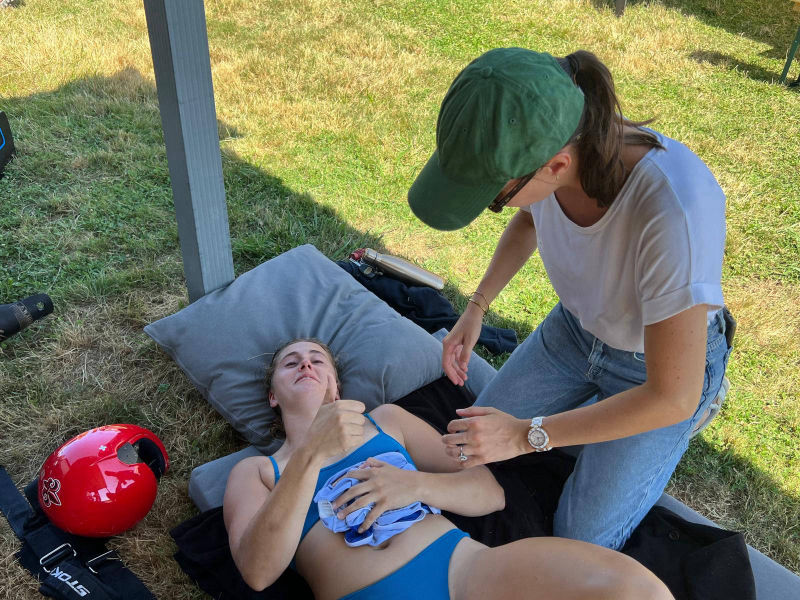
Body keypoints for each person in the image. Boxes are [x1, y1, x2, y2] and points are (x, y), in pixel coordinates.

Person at [406, 47, 732, 551]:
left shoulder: (674, 212)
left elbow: (671, 395)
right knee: (466, 450)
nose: (495, 206)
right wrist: (476, 306)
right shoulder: (555, 142)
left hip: (657, 373)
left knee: (579, 540)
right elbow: (530, 218)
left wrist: (525, 435)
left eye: (493, 198)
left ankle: (691, 408)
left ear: (557, 165)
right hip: (576, 332)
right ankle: (591, 415)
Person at [223, 338, 673, 600]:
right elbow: (258, 571)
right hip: (365, 591)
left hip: (467, 570)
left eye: (317, 359)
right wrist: (308, 455)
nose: (305, 363)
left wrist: (413, 485)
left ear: (336, 385)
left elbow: (489, 492)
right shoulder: (258, 472)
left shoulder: (387, 422)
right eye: (291, 363)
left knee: (636, 589)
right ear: (273, 396)